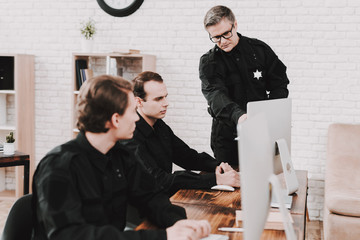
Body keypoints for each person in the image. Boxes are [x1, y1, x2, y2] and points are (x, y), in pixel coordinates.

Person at [31, 75, 211, 240]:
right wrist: (163, 237)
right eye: (133, 111)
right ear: (116, 119)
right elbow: (72, 235)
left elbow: (150, 196)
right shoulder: (58, 166)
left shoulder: (121, 155)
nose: (136, 118)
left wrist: (177, 222)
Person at [122, 71, 240, 197]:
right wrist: (216, 179)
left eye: (165, 96)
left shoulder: (159, 125)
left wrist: (218, 165)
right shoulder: (130, 135)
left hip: (162, 200)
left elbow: (187, 156)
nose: (166, 103)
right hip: (143, 208)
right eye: (158, 99)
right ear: (139, 102)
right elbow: (158, 179)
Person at [199, 5, 290, 166]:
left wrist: (270, 112)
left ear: (235, 25)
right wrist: (240, 116)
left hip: (260, 131)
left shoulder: (260, 50)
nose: (222, 41)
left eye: (226, 34)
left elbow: (279, 82)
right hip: (226, 138)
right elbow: (215, 95)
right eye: (215, 37)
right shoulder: (209, 62)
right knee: (229, 186)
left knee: (263, 179)